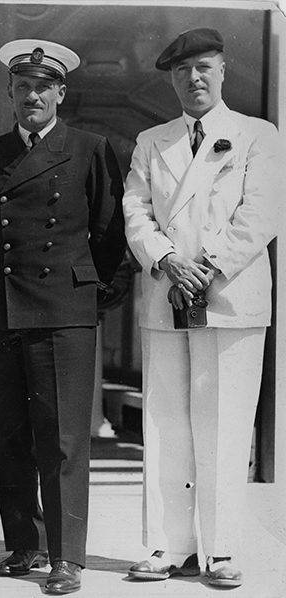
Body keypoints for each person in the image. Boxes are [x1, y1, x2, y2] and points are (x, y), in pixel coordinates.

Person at [123, 28, 280, 589]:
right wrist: (167, 261)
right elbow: (135, 209)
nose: (194, 79)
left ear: (222, 72)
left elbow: (259, 215)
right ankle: (167, 546)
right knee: (166, 425)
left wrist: (206, 268)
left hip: (228, 299)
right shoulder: (151, 140)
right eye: (183, 71)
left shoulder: (258, 136)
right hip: (167, 295)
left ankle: (221, 550)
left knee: (225, 426)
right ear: (171, 77)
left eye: (205, 68)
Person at [0, 39, 126, 595]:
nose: (32, 95)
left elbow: (111, 234)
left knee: (61, 440)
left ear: (61, 91)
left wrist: (87, 295)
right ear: (10, 92)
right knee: (6, 436)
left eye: (43, 86)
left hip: (63, 309)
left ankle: (67, 558)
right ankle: (23, 545)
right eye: (23, 85)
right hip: (4, 309)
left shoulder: (89, 147)